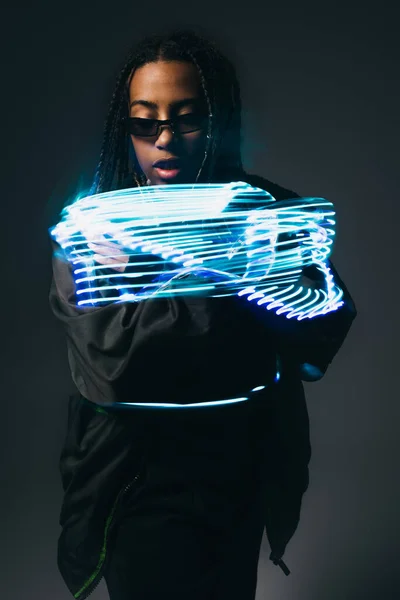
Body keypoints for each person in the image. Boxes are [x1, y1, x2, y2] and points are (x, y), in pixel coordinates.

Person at [48, 29, 357, 600]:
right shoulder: (93, 227)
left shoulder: (269, 212)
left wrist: (157, 275)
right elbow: (113, 367)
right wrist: (247, 283)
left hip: (240, 474)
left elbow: (321, 333)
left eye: (185, 118)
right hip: (135, 482)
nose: (165, 139)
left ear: (219, 117)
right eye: (145, 122)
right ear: (127, 127)